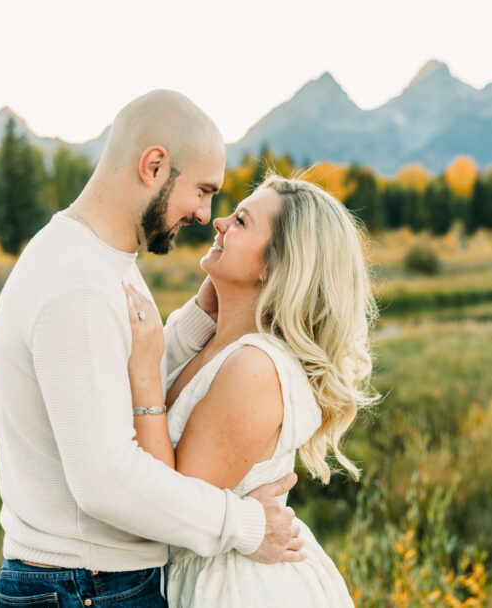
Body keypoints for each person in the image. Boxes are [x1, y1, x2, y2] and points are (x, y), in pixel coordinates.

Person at [0, 91, 303, 608]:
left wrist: (204, 318)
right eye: (201, 191)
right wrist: (246, 526)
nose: (206, 215)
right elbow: (106, 482)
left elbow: (129, 359)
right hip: (84, 587)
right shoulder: (80, 286)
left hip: (84, 584)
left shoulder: (96, 259)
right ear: (154, 166)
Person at [123, 174, 378, 607]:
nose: (219, 222)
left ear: (273, 266)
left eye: (240, 221)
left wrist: (145, 375)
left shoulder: (255, 368)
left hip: (238, 590)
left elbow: (167, 505)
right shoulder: (218, 346)